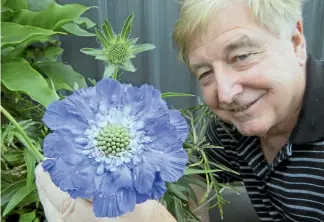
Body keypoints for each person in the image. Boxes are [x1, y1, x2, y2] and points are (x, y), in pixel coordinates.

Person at [35, 0, 324, 221]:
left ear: (296, 43)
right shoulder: (231, 127)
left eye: (242, 56)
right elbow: (195, 174)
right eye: (204, 73)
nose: (225, 93)